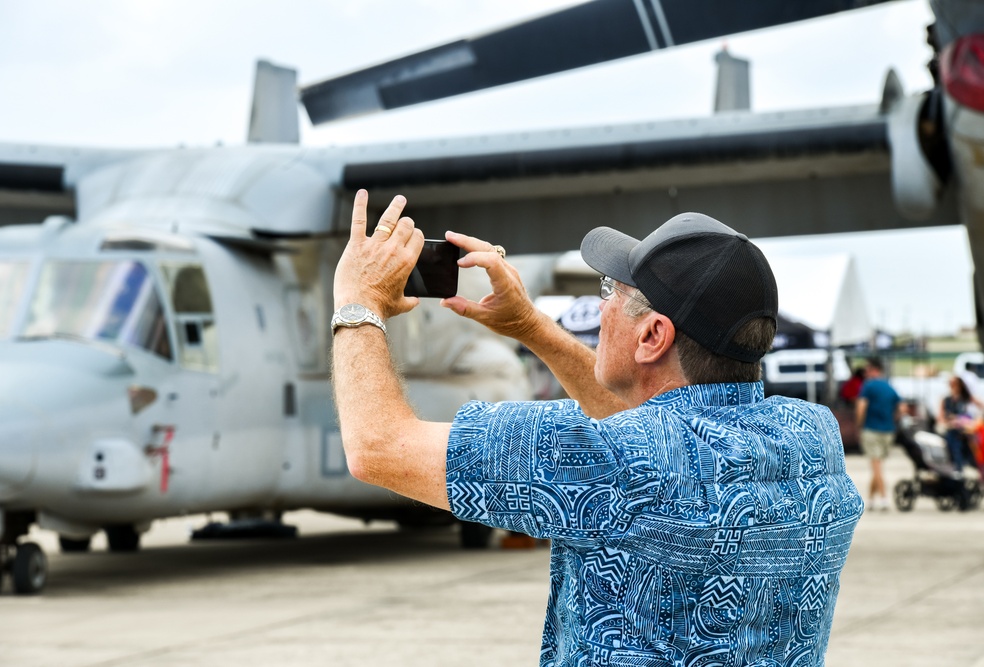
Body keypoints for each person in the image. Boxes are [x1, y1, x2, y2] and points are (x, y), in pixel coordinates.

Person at [332, 190, 863, 666]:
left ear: (653, 335)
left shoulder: (622, 461)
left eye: (610, 290)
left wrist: (358, 303)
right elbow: (647, 427)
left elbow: (378, 447)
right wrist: (528, 326)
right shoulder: (812, 435)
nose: (599, 306)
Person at [854, 358, 900, 511]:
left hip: (872, 429)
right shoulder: (889, 387)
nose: (865, 373)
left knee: (877, 467)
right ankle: (871, 499)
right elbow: (901, 407)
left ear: (874, 370)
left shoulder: (868, 386)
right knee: (877, 466)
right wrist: (892, 420)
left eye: (867, 370)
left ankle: (884, 498)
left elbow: (861, 407)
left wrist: (859, 425)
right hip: (888, 430)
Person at [938, 375, 984, 473]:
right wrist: (949, 423)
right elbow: (940, 418)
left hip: (965, 429)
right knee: (954, 442)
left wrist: (973, 420)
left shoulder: (965, 398)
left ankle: (967, 465)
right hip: (951, 429)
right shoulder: (946, 399)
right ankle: (958, 467)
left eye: (954, 384)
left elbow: (980, 405)